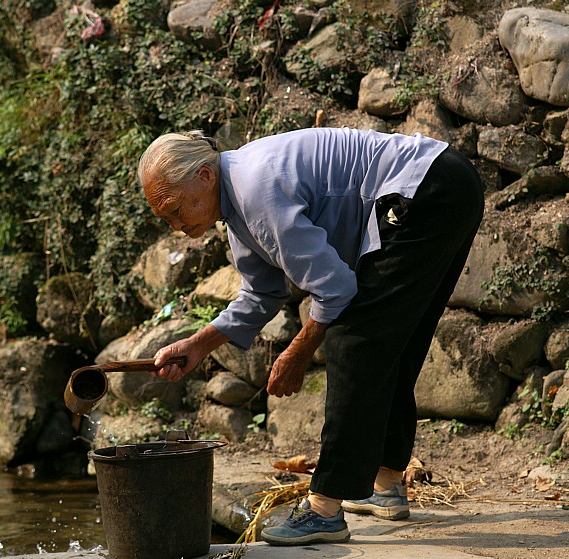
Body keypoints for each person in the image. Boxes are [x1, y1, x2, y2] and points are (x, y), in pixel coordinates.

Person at [139, 126, 484, 546]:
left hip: (425, 188)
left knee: (352, 340)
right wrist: (199, 344)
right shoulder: (237, 204)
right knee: (389, 340)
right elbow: (261, 293)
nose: (176, 225)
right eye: (167, 219)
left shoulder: (255, 189)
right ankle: (387, 483)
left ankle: (323, 509)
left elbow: (336, 288)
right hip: (443, 181)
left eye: (175, 210)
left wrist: (297, 351)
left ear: (204, 177)